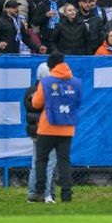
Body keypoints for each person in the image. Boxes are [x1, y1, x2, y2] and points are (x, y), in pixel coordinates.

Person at [28, 53, 82, 203]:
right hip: (67, 127)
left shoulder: (46, 82)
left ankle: (39, 192)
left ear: (51, 66)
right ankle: (66, 195)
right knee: (64, 161)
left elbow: (36, 104)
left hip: (48, 128)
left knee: (41, 160)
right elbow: (77, 102)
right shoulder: (76, 82)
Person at [23, 62, 56, 203]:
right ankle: (46, 194)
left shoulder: (30, 90)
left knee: (36, 164)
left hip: (36, 133)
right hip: (47, 131)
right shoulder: (47, 91)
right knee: (49, 164)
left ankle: (33, 194)